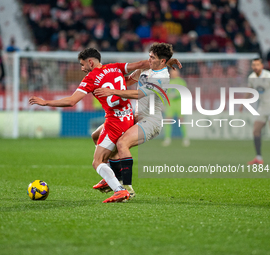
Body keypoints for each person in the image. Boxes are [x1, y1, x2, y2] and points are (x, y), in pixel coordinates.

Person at [29, 48, 155, 203]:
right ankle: (110, 177)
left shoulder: (91, 78)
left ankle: (120, 189)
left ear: (90, 62)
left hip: (114, 122)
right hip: (127, 116)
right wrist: (165, 62)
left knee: (97, 162)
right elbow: (142, 63)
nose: (82, 68)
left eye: (82, 64)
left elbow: (71, 101)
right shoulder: (115, 67)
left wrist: (46, 102)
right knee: (95, 136)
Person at [92, 43, 178, 197]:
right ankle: (112, 178)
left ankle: (127, 188)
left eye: (152, 57)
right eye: (149, 56)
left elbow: (138, 94)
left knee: (122, 143)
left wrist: (112, 91)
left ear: (162, 61)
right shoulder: (147, 68)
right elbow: (127, 81)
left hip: (151, 120)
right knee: (97, 136)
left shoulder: (162, 78)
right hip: (136, 116)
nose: (149, 60)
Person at [241, 58, 270, 165]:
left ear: (261, 66)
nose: (255, 67)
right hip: (262, 107)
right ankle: (259, 158)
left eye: (257, 65)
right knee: (256, 130)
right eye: (253, 65)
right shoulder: (252, 78)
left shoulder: (269, 76)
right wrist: (243, 102)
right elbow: (250, 89)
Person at [162, 68, 189, 147]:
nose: (172, 73)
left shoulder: (181, 81)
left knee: (181, 121)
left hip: (179, 104)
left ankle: (185, 138)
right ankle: (167, 139)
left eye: (174, 72)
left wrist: (176, 95)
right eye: (171, 72)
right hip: (170, 105)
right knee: (168, 121)